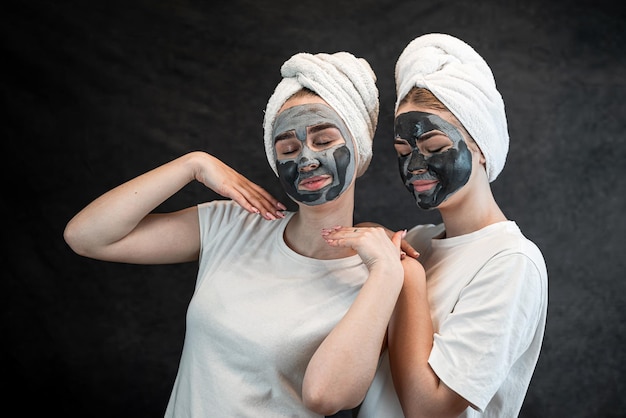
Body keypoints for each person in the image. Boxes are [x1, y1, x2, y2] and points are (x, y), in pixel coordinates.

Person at [63, 51, 407, 417]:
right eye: (288, 148)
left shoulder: (378, 272)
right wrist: (194, 164)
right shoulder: (233, 225)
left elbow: (327, 397)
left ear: (359, 147)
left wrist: (385, 273)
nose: (306, 159)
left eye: (324, 141)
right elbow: (87, 236)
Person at [323, 33, 548, 417]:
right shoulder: (418, 241)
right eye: (403, 151)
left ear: (478, 146)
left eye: (434, 147)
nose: (414, 167)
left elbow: (430, 409)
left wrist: (405, 274)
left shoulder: (511, 262)